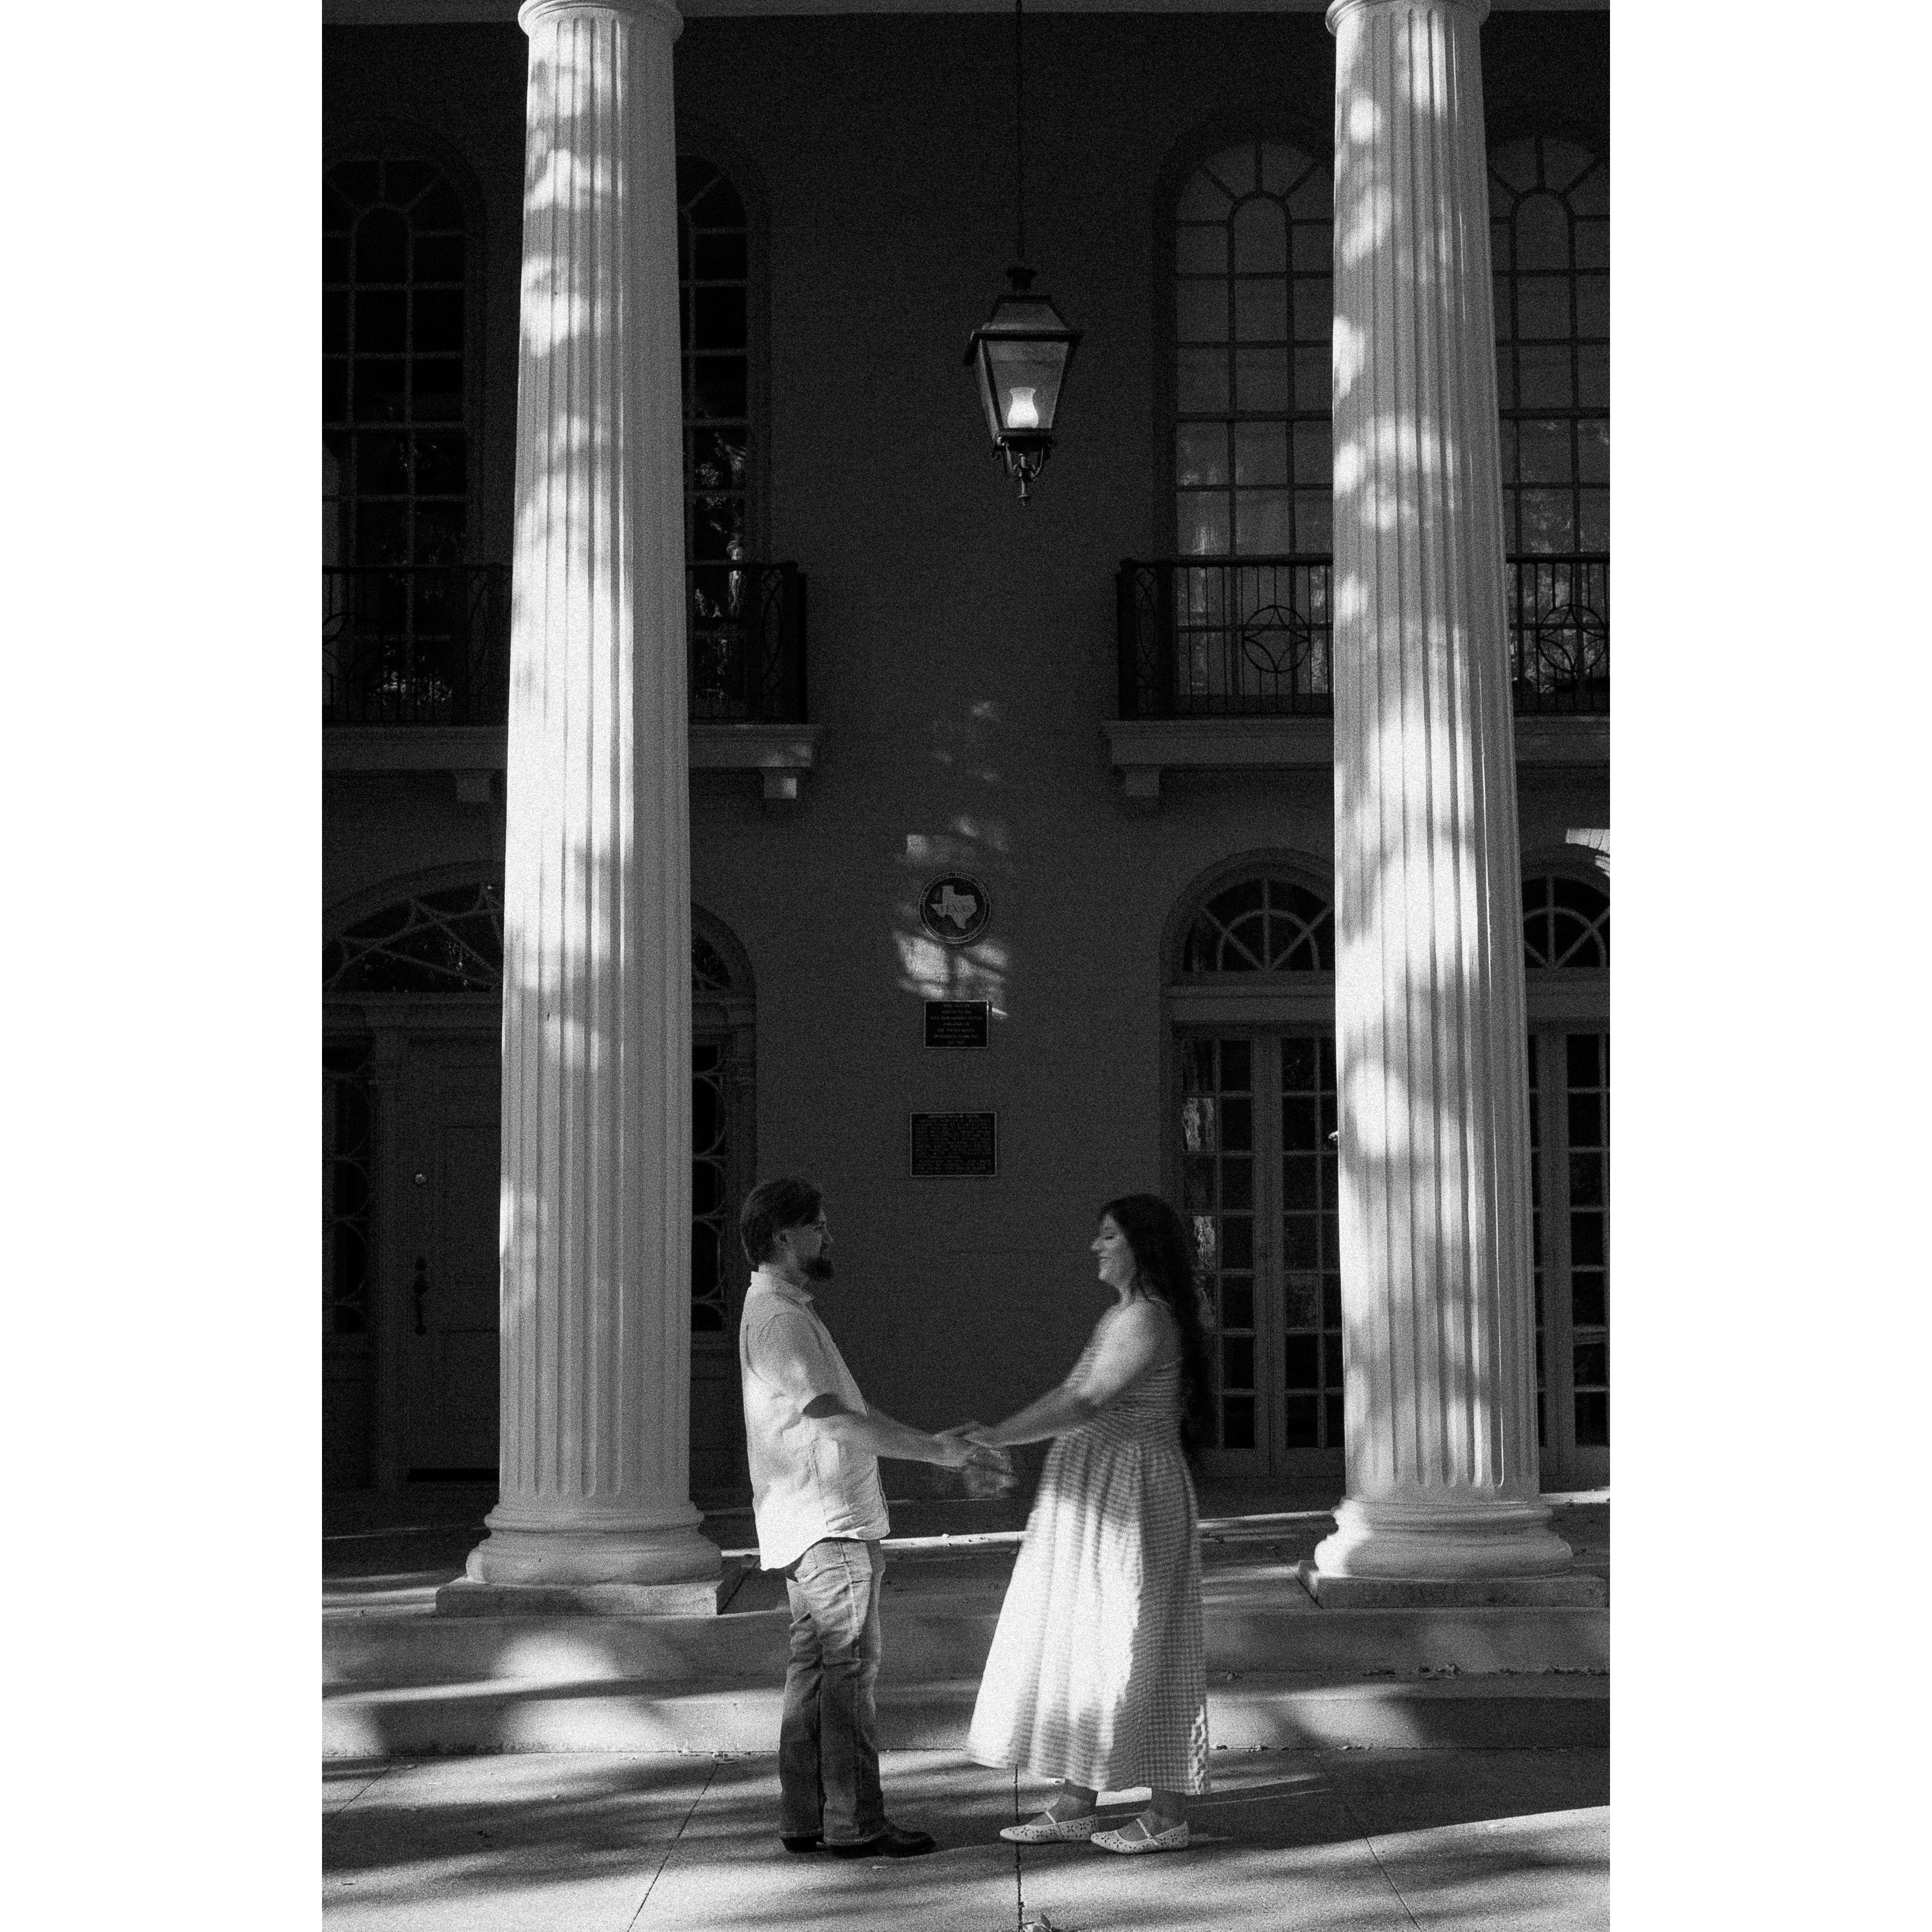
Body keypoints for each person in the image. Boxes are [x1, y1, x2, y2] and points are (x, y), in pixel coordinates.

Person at [737, 1175, 1008, 1860]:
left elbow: (846, 1409)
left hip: (808, 1523)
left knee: (816, 1673)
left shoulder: (780, 1312)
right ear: (784, 1236)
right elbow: (830, 1419)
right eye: (819, 1225)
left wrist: (930, 1442)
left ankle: (806, 1816)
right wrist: (936, 1454)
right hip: (829, 1526)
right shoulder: (781, 1320)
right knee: (848, 1676)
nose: (830, 1236)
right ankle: (855, 1823)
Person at [960, 1194, 1212, 1854]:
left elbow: (1084, 1400)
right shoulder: (1124, 1313)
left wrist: (996, 1438)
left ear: (1141, 1246)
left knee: (1138, 1640)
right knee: (1087, 1639)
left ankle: (1167, 1814)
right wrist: (1000, 1435)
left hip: (1131, 1495)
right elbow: (1072, 1396)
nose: (1095, 1247)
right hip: (1099, 1491)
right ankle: (1077, 1801)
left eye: (1108, 1236)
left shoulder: (1148, 1318)